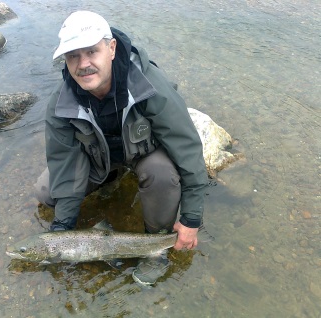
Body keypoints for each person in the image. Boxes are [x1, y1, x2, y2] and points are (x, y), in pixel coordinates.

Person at [35, 10, 208, 286]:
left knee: (162, 175)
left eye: (92, 51)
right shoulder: (61, 104)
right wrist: (62, 231)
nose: (83, 64)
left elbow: (187, 147)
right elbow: (64, 164)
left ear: (112, 48)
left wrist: (191, 218)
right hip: (99, 160)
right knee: (46, 191)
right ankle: (111, 178)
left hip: (144, 153)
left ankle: (156, 249)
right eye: (73, 56)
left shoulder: (148, 85)